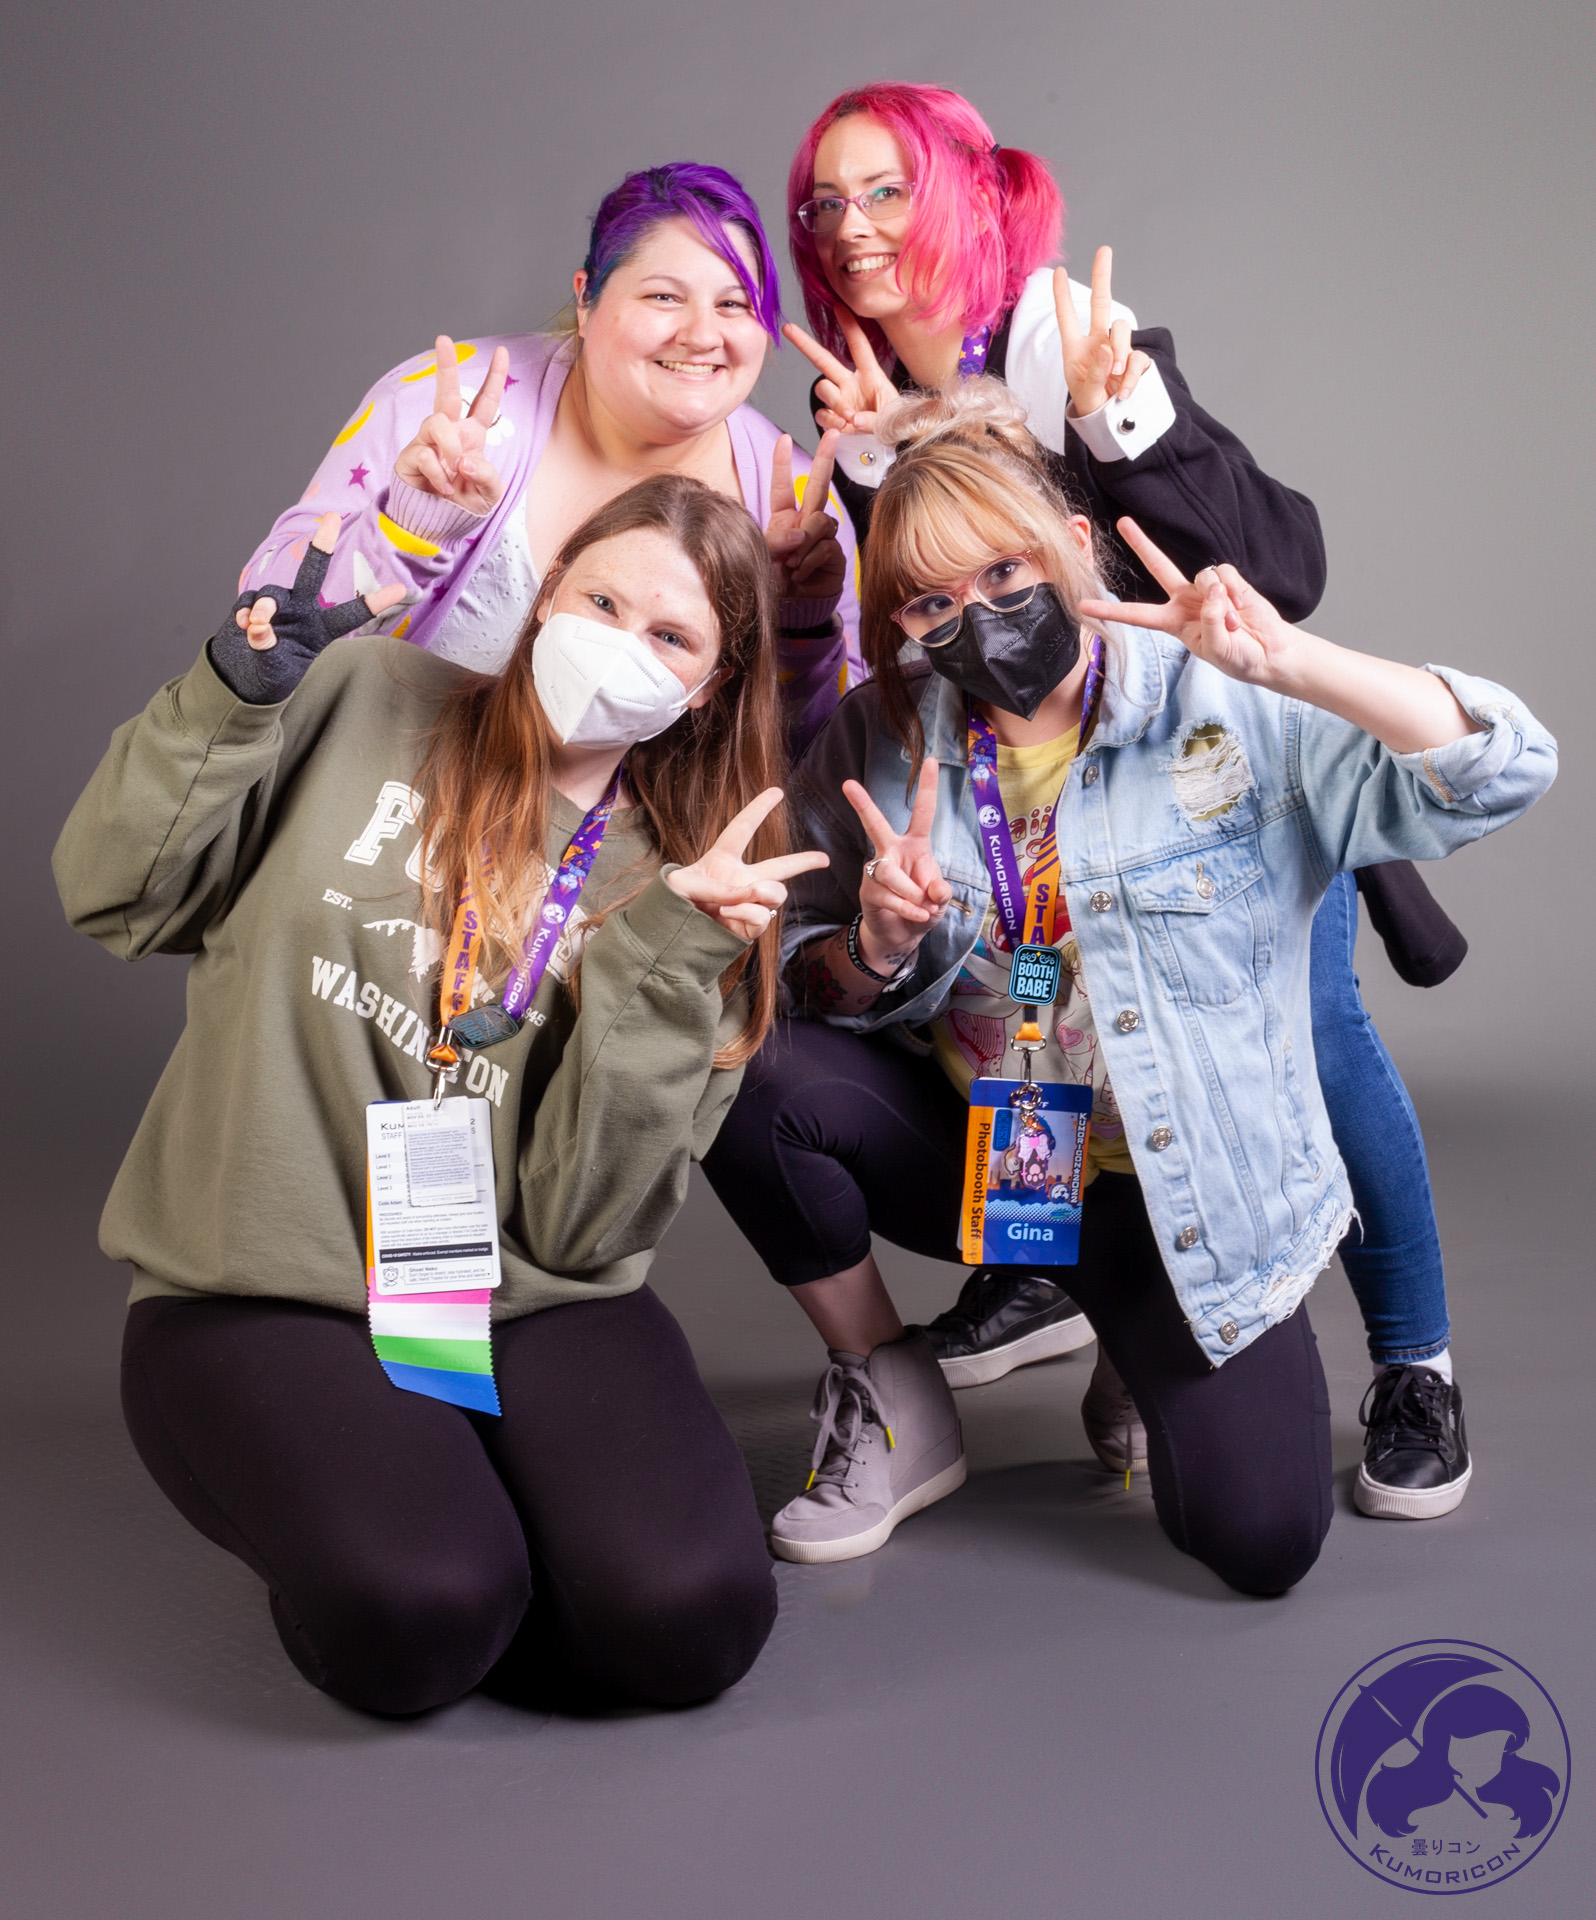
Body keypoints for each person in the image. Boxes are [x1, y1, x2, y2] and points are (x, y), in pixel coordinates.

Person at [702, 384, 1554, 1584]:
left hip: (1181, 1192)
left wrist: (1296, 662)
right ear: (900, 621)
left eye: (1006, 573)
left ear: (1070, 545)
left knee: (1260, 1541)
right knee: (741, 1065)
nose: (978, 617)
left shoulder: (1225, 700)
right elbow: (788, 972)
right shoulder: (877, 738)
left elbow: (1505, 767)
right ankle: (892, 1386)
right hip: (1001, 1166)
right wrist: (875, 947)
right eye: (933, 602)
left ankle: (1135, 1340)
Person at [772, 80, 1473, 1520]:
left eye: (885, 189)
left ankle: (1417, 1361)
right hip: (1027, 822)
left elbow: (1275, 576)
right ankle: (1063, 1273)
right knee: (1020, 1002)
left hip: (1196, 791)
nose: (850, 226)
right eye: (825, 201)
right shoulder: (853, 391)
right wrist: (874, 468)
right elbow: (931, 634)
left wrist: (1120, 418)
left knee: (1317, 1042)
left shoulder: (1060, 334)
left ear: (962, 191)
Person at [54, 475, 830, 1714]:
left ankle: (468, 1521)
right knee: (424, 1611)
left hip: (526, 1293)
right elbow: (112, 894)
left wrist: (665, 954)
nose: (619, 646)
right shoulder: (367, 697)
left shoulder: (703, 890)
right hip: (265, 1279)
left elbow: (583, 1227)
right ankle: (440, 1545)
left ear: (710, 687)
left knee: (693, 1620)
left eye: (670, 635)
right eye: (602, 602)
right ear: (546, 596)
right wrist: (229, 696)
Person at [238, 160, 857, 756]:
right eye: (664, 297)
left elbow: (827, 758)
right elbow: (265, 627)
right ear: (586, 300)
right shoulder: (448, 411)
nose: (700, 335)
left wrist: (798, 626)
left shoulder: (801, 502)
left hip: (622, 834)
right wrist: (406, 531)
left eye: (734, 304)